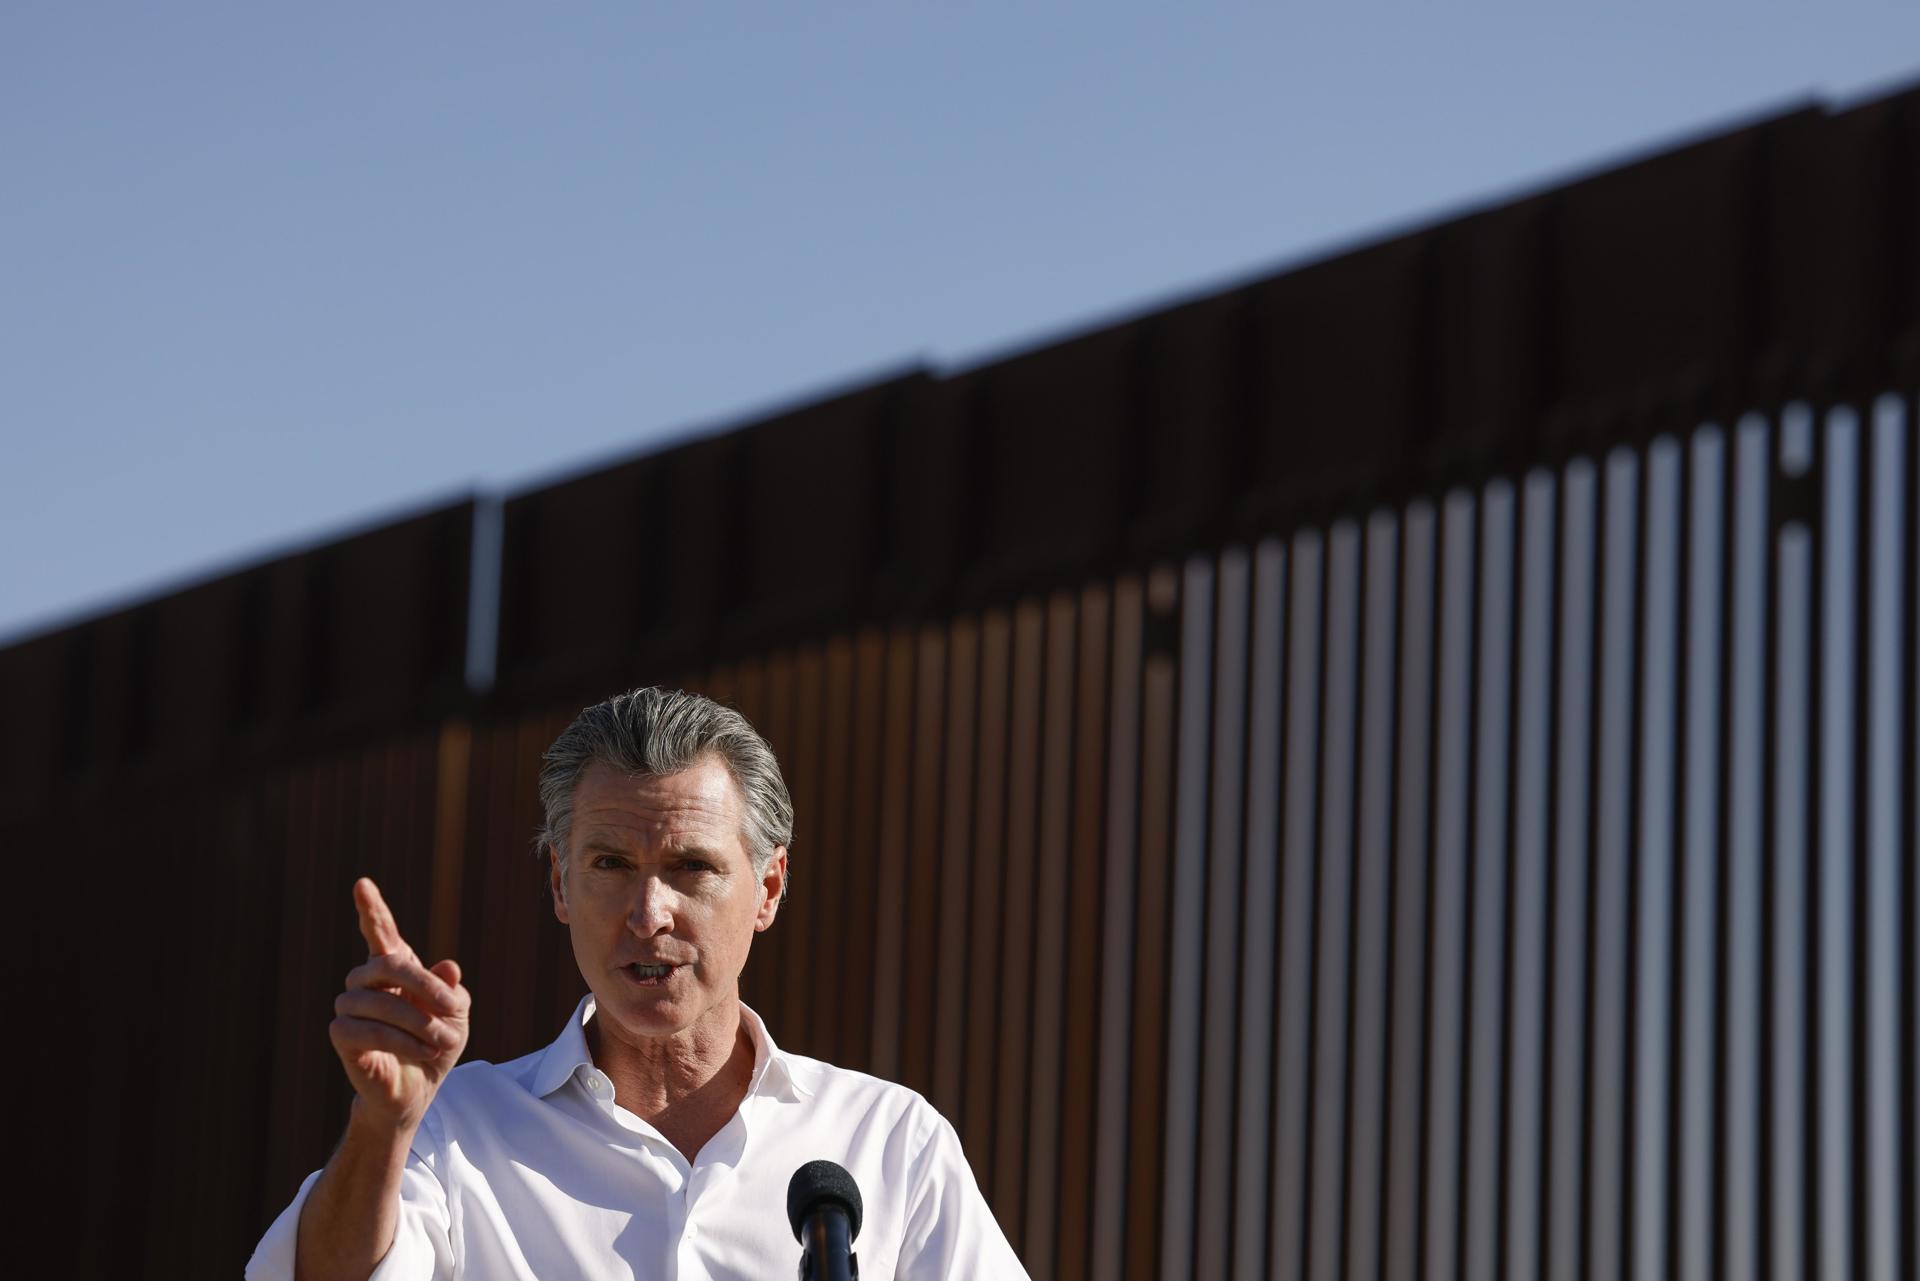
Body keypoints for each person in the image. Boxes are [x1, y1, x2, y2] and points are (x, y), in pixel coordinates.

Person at [247, 686, 1027, 1279]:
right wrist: (382, 1128)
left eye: (692, 867)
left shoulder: (890, 1142)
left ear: (769, 886)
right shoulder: (455, 1135)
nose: (648, 913)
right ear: (560, 883)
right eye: (610, 865)